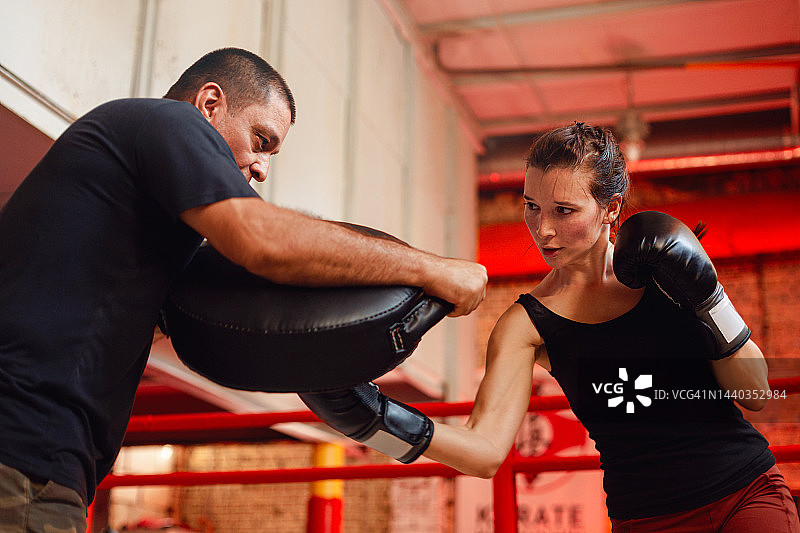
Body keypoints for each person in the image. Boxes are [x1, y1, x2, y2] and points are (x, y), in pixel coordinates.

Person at [0, 47, 487, 532]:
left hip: (40, 460)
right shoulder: (170, 121)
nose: (261, 169)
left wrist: (408, 432)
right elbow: (262, 240)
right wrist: (432, 269)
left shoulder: (146, 236)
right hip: (25, 453)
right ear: (210, 104)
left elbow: (286, 337)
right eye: (261, 140)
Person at [304, 122, 800, 532]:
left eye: (564, 211)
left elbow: (756, 394)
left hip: (745, 493)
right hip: (645, 518)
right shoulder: (527, 324)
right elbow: (484, 452)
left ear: (611, 208)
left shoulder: (664, 268)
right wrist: (374, 423)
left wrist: (709, 297)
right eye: (531, 206)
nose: (543, 229)